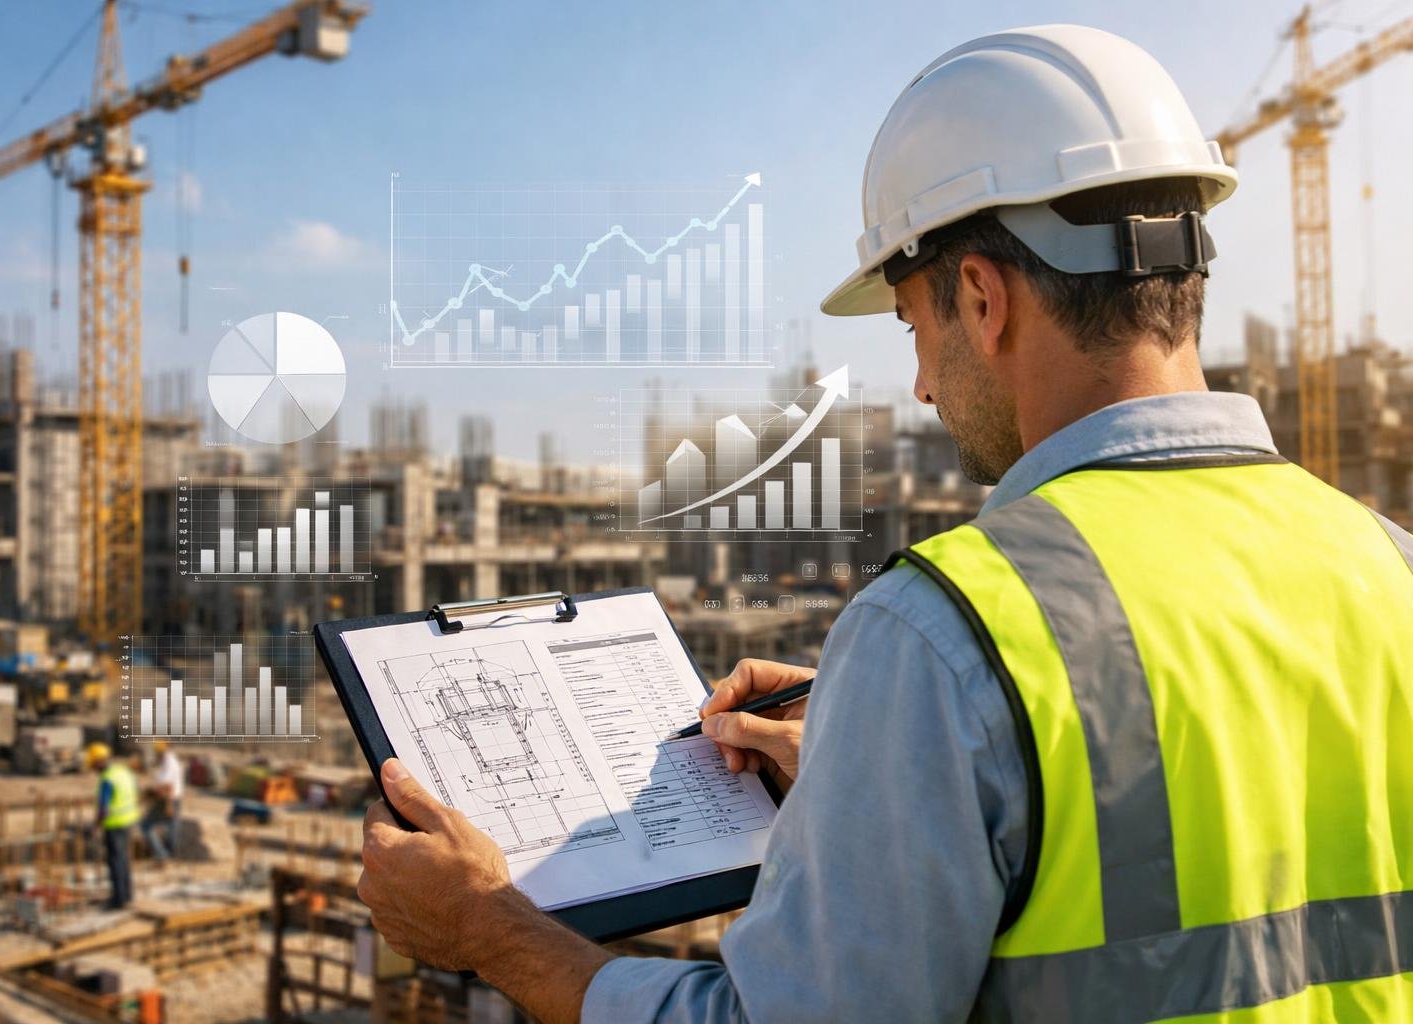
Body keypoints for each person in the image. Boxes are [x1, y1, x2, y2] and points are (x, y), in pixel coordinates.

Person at [353, 25, 1413, 1023]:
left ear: (983, 299)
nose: (920, 386)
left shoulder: (944, 634)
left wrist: (492, 928)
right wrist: (907, 779)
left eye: (912, 325)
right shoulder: (1390, 565)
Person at [87, 742, 138, 909]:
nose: (93, 768)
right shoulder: (123, 771)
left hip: (114, 824)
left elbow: (104, 808)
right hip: (128, 821)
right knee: (123, 859)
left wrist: (96, 826)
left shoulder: (107, 779)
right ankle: (127, 895)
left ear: (98, 761)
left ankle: (118, 900)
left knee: (115, 861)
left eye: (93, 764)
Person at [140, 740, 182, 863]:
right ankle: (167, 853)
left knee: (145, 825)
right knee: (170, 826)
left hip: (166, 800)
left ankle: (161, 854)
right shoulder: (166, 762)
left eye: (157, 752)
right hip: (167, 799)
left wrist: (168, 804)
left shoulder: (170, 763)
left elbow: (167, 787)